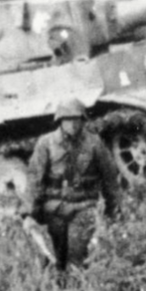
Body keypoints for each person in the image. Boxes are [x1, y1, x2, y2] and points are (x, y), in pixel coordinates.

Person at [23, 98, 122, 272]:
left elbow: (110, 178)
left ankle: (74, 278)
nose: (73, 124)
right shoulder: (46, 143)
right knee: (54, 259)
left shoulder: (94, 143)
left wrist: (113, 211)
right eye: (68, 119)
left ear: (83, 120)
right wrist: (28, 214)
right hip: (54, 209)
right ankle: (59, 282)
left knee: (75, 257)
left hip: (83, 207)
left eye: (77, 119)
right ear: (60, 120)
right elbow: (34, 180)